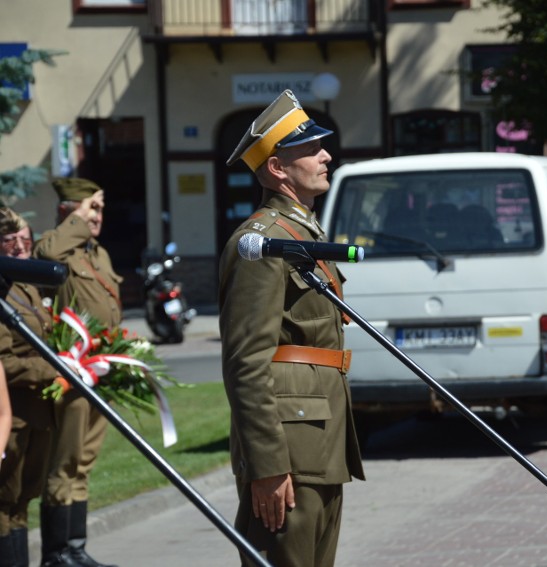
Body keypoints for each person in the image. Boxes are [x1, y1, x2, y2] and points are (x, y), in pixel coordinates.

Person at [219, 89, 364, 566]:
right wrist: (267, 464)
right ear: (278, 169)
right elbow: (246, 361)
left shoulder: (300, 233)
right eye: (311, 149)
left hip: (321, 438)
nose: (326, 155)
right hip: (290, 448)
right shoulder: (260, 244)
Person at [34, 178, 122, 567]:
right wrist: (76, 219)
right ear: (69, 211)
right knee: (65, 461)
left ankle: (75, 546)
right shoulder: (58, 247)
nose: (98, 217)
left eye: (100, 210)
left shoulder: (96, 253)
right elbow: (44, 252)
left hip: (101, 369)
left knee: (84, 461)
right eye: (91, 209)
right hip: (72, 371)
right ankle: (55, 553)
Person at [0, 208, 58, 567]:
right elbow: (5, 361)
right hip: (14, 414)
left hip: (36, 413)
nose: (22, 249)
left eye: (26, 241)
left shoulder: (25, 287)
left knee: (23, 500)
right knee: (5, 504)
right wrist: (53, 369)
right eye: (11, 242)